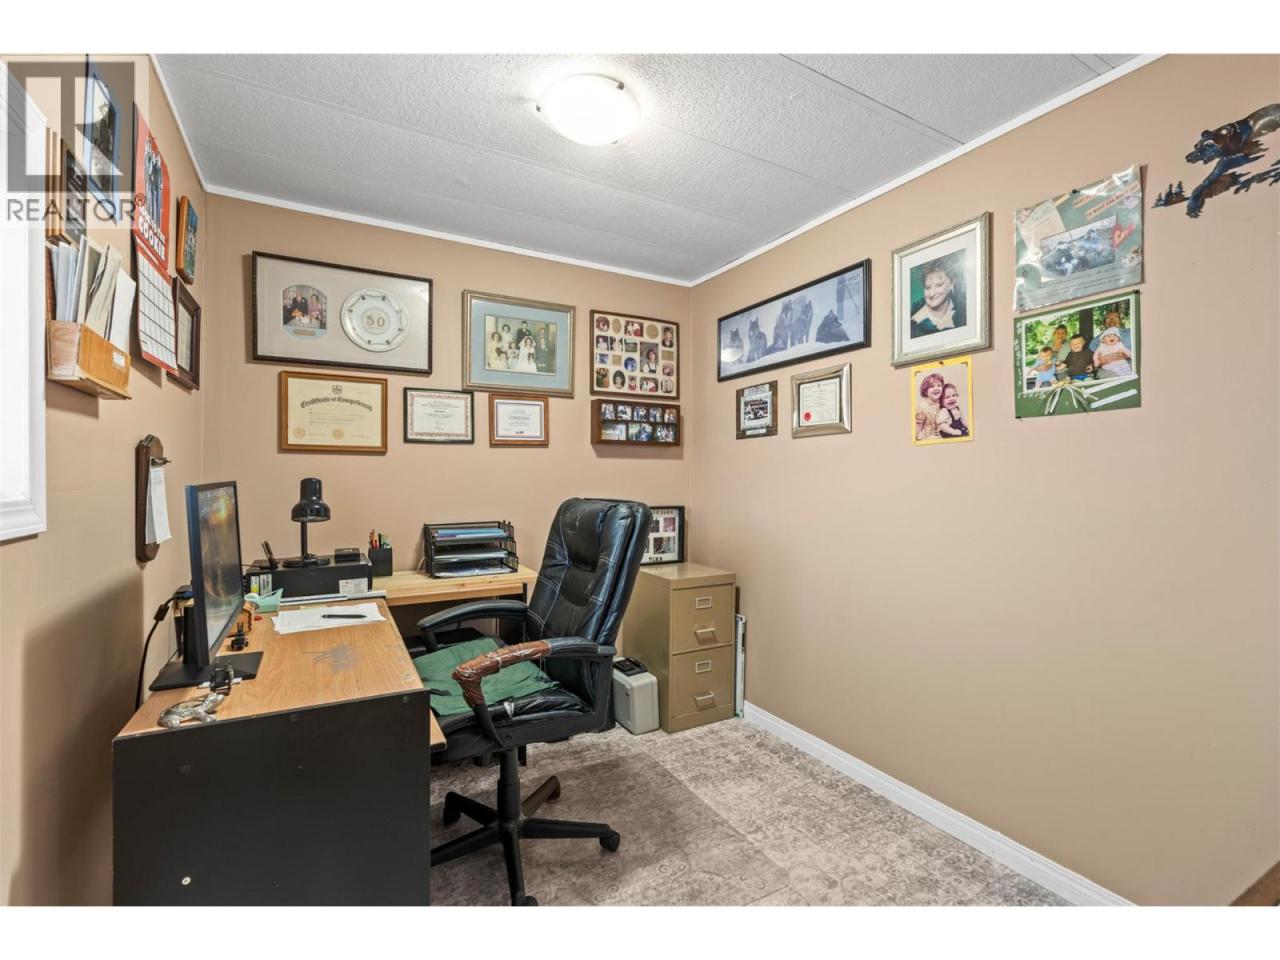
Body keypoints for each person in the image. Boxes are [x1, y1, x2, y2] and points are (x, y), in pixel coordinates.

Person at [910, 260, 966, 338]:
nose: (932, 294)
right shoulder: (914, 324)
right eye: (928, 287)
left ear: (952, 282)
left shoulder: (964, 310)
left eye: (939, 285)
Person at [915, 372, 945, 440]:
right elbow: (916, 433)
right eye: (932, 386)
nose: (936, 388)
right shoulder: (922, 408)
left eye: (939, 385)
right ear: (925, 390)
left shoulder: (943, 404)